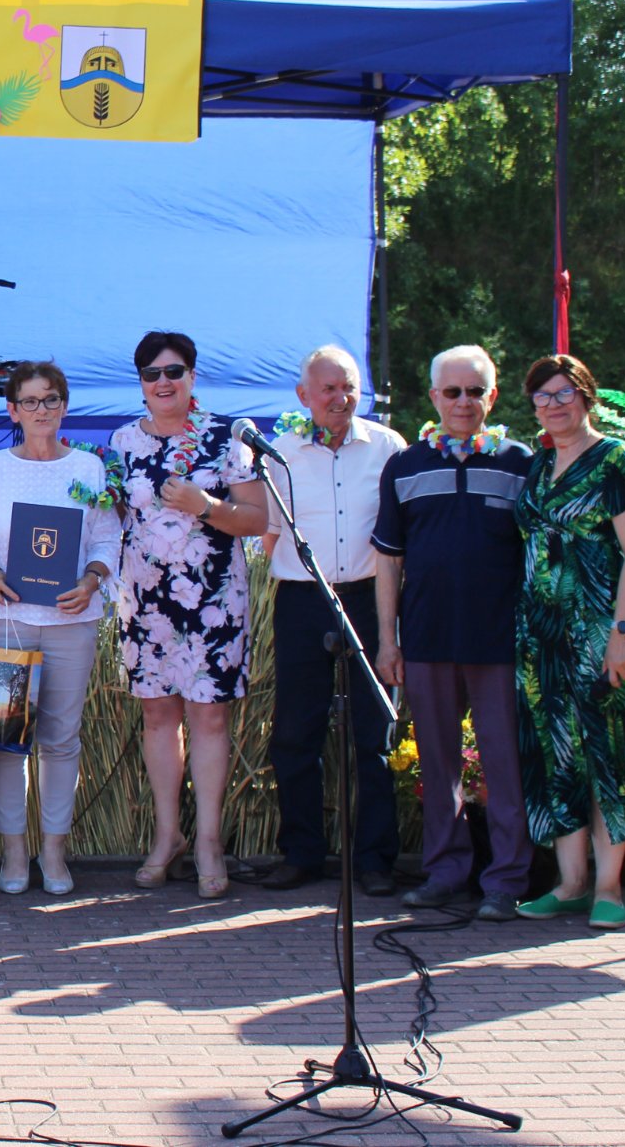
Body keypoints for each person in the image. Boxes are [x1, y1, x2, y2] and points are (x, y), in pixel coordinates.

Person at [372, 346, 534, 922]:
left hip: (499, 643)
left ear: (492, 396)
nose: (464, 402)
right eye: (452, 392)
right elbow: (388, 561)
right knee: (439, 765)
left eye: (475, 391)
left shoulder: (522, 463)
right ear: (434, 396)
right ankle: (445, 871)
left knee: (503, 763)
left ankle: (507, 879)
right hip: (427, 639)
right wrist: (389, 641)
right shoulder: (406, 466)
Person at [112, 331, 269, 900]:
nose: (163, 383)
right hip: (146, 599)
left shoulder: (228, 438)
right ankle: (167, 835)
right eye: (152, 375)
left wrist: (207, 506)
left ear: (193, 377)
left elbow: (256, 520)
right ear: (141, 384)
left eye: (174, 372)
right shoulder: (123, 440)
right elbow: (114, 515)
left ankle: (208, 840)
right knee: (158, 717)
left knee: (207, 718)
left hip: (212, 596)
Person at [511, 353, 625, 930]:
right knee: (555, 756)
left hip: (600, 634)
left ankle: (608, 886)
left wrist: (623, 634)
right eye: (543, 396)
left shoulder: (613, 459)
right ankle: (570, 882)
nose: (554, 404)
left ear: (586, 396)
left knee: (607, 755)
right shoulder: (540, 461)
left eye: (564, 393)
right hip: (540, 639)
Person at [258, 345, 408, 895]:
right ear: (304, 396)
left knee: (373, 733)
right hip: (302, 598)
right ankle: (301, 854)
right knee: (296, 731)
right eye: (328, 389)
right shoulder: (280, 452)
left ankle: (374, 859)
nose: (340, 398)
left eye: (348, 387)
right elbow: (268, 529)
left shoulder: (388, 447)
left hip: (370, 597)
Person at [0, 361, 121, 897]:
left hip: (71, 621)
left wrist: (93, 577)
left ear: (64, 405)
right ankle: (13, 852)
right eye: (29, 402)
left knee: (60, 740)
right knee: (7, 741)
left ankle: (53, 851)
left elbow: (106, 538)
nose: (40, 411)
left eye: (50, 399)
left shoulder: (90, 467)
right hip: (4, 620)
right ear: (12, 410)